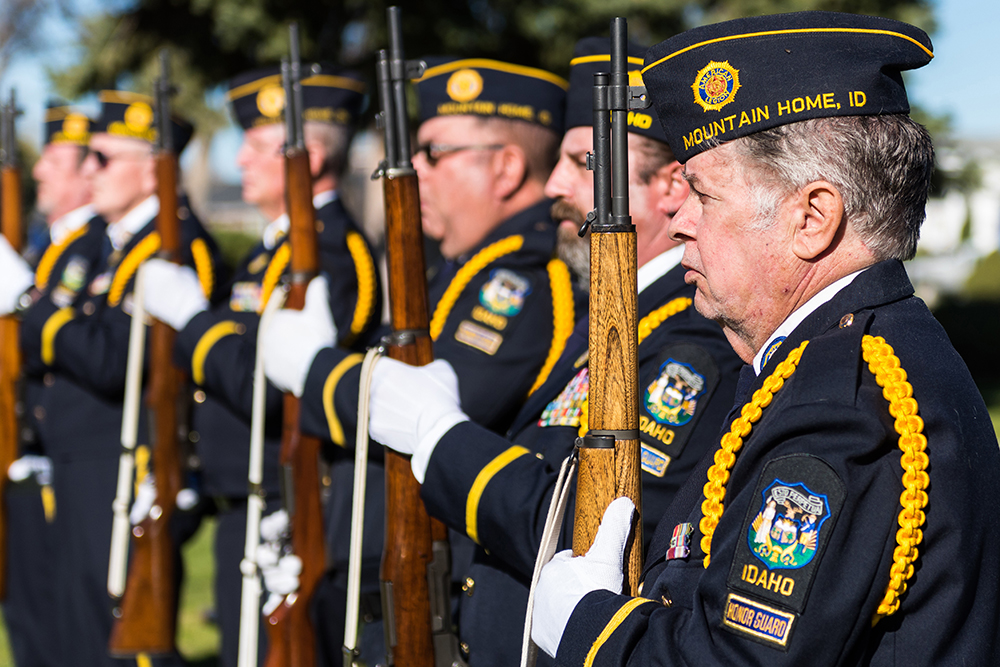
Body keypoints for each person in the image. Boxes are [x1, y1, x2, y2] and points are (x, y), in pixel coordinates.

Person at [524, 12, 1000, 665]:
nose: (678, 218)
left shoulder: (845, 401)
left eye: (704, 194)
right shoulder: (834, 358)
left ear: (812, 218)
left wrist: (591, 629)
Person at [357, 38, 743, 666]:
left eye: (584, 161)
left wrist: (441, 437)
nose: (556, 186)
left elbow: (601, 532)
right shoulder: (623, 321)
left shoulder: (693, 345)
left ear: (670, 185)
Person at [262, 57, 576, 664]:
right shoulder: (461, 267)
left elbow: (433, 400)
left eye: (433, 154)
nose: (416, 174)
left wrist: (314, 369)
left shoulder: (523, 278)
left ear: (506, 167)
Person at [139, 65, 381, 667]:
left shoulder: (332, 251)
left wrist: (194, 320)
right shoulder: (270, 251)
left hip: (283, 503)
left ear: (311, 157)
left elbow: (270, 387)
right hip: (239, 498)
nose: (239, 159)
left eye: (254, 145)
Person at [8, 90, 220, 667]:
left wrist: (30, 303)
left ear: (152, 169)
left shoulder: (174, 245)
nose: (88, 169)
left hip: (127, 463)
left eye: (102, 157)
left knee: (126, 643)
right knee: (79, 635)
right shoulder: (109, 242)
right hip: (83, 458)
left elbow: (112, 360)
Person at [0, 102, 103, 667]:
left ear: (90, 170)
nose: (40, 171)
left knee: (77, 625)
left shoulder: (93, 247)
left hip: (77, 452)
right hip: (31, 450)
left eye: (55, 161)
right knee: (31, 616)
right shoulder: (44, 245)